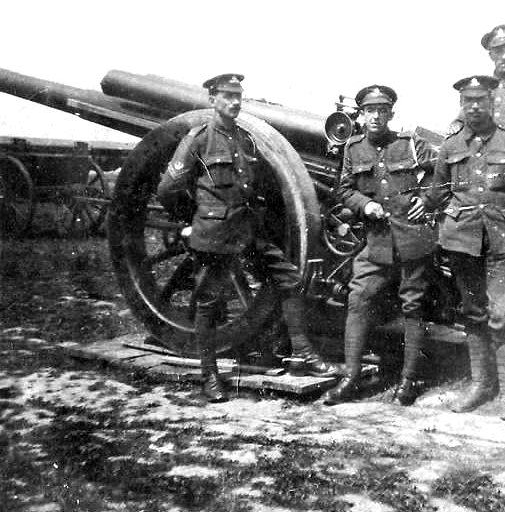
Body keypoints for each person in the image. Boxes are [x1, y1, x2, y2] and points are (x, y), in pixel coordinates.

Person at [157, 73, 337, 402]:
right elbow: (168, 189)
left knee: (290, 278)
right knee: (209, 303)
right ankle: (209, 374)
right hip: (214, 234)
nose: (234, 102)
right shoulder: (198, 138)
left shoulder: (244, 138)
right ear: (212, 99)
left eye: (238, 96)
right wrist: (193, 220)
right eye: (226, 96)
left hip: (246, 230)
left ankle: (303, 352)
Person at [322, 85, 435, 406]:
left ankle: (408, 381)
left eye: (382, 111)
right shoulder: (354, 149)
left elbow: (442, 172)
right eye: (370, 111)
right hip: (377, 244)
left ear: (391, 115)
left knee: (413, 305)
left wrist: (426, 199)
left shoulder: (410, 144)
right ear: (361, 115)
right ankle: (351, 378)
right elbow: (343, 190)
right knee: (358, 299)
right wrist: (364, 204)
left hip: (414, 240)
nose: (375, 117)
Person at [430, 75, 505, 422]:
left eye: (481, 100)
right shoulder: (450, 145)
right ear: (462, 105)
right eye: (468, 101)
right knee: (473, 312)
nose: (474, 107)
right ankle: (480, 385)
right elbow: (439, 192)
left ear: (493, 103)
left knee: (503, 314)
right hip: (463, 240)